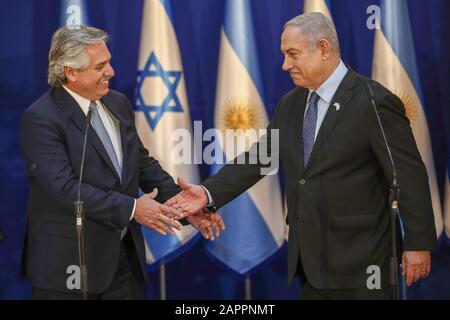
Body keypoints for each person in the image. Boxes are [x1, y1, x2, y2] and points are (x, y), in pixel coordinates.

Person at [167, 13, 437, 299]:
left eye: (292, 54)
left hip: (364, 262)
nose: (285, 65)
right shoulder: (291, 104)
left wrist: (417, 243)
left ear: (323, 48)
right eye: (284, 55)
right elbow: (261, 159)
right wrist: (207, 193)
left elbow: (408, 174)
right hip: (310, 264)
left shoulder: (372, 100)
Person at [19, 25, 223, 300]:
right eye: (100, 66)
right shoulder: (42, 118)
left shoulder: (118, 104)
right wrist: (132, 208)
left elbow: (141, 165)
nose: (111, 72)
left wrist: (185, 208)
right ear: (71, 72)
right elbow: (64, 190)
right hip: (69, 265)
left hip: (124, 261)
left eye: (109, 62)